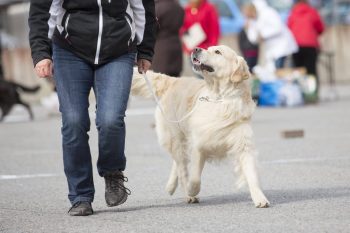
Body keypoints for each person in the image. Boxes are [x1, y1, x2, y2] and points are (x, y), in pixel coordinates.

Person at [29, 0, 157, 216]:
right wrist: (41, 52)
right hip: (70, 51)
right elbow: (41, 10)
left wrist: (145, 50)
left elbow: (143, 8)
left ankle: (113, 172)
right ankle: (81, 196)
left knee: (111, 119)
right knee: (74, 121)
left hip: (117, 50)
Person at [246, 0, 298, 69]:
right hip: (272, 51)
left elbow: (278, 27)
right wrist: (250, 28)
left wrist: (263, 35)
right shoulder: (254, 19)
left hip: (282, 47)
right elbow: (253, 39)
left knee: (279, 70)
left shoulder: (269, 12)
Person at [288, 0, 324, 94]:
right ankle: (313, 94)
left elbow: (288, 28)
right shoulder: (312, 11)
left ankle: (301, 93)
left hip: (295, 45)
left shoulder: (292, 13)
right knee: (311, 71)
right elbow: (320, 28)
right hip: (310, 45)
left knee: (299, 70)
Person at [152, 0, 184, 77]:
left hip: (160, 50)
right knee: (175, 83)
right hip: (176, 46)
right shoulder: (178, 7)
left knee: (160, 83)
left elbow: (151, 29)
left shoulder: (157, 8)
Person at [239, 3, 259, 72]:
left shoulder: (252, 23)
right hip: (247, 51)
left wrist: (246, 28)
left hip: (250, 51)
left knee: (249, 69)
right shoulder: (248, 22)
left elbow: (253, 38)